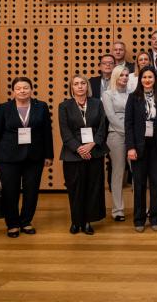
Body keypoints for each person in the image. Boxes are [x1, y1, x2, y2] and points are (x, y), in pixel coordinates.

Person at [0, 77, 54, 238]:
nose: (22, 91)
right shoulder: (3, 109)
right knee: (10, 192)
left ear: (31, 89)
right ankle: (12, 224)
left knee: (31, 191)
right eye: (18, 88)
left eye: (25, 88)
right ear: (13, 91)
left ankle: (26, 221)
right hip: (8, 157)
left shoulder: (41, 107)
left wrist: (49, 155)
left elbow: (47, 132)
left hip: (35, 157)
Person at [59, 74, 109, 235]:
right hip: (73, 155)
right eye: (76, 84)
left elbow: (103, 127)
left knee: (92, 188)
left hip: (94, 152)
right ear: (71, 87)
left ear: (87, 86)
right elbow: (65, 132)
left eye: (83, 83)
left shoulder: (97, 103)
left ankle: (87, 221)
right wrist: (79, 148)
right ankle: (76, 221)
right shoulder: (64, 106)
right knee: (75, 189)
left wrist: (92, 145)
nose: (80, 86)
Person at [125, 66, 157, 232]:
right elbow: (128, 124)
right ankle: (139, 219)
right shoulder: (133, 98)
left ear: (155, 80)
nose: (147, 80)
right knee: (138, 185)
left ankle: (155, 218)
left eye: (150, 77)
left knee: (156, 183)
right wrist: (130, 147)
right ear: (140, 80)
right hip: (138, 147)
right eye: (144, 77)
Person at [101, 65, 130, 221]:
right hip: (116, 136)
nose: (124, 78)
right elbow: (111, 117)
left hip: (132, 137)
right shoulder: (107, 94)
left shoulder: (132, 94)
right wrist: (128, 132)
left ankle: (141, 206)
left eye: (126, 75)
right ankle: (118, 210)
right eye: (121, 75)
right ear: (115, 77)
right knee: (118, 172)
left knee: (137, 172)